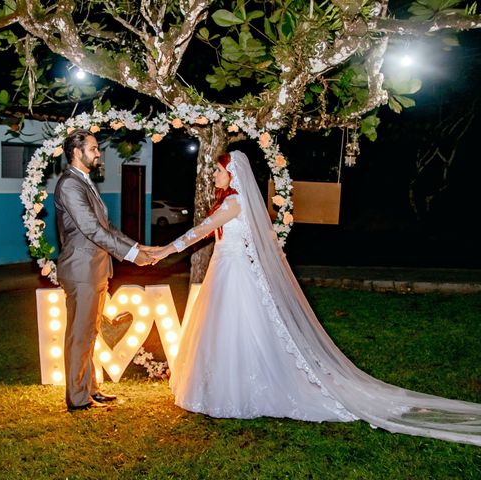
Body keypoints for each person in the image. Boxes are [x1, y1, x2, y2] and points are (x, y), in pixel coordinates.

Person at [150, 150, 481, 446]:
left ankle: (240, 391)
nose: (215, 175)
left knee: (237, 329)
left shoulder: (235, 202)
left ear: (233, 173)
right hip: (223, 271)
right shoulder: (231, 200)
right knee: (221, 331)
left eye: (219, 170)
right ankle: (219, 388)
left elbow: (201, 230)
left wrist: (165, 249)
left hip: (233, 275)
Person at [55, 129, 154, 411]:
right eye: (94, 148)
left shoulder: (84, 181)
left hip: (96, 269)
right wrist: (133, 255)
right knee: (80, 335)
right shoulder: (70, 185)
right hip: (81, 270)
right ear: (77, 151)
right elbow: (91, 229)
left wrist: (138, 246)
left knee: (91, 332)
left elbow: (107, 228)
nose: (98, 153)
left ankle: (91, 389)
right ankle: (77, 399)